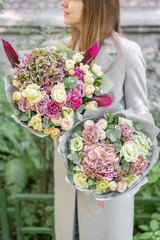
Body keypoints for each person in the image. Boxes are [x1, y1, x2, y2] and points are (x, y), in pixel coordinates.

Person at [54, 1, 155, 240]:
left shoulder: (127, 52)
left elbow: (145, 127)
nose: (63, 2)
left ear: (95, 4)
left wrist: (111, 151)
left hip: (107, 184)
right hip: (67, 185)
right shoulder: (63, 53)